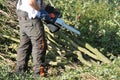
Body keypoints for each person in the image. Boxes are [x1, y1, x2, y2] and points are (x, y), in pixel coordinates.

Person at [15, 0, 48, 77]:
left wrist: (48, 9)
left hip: (23, 16)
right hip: (31, 18)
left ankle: (20, 71)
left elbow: (39, 2)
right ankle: (38, 73)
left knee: (25, 44)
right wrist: (40, 11)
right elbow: (31, 1)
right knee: (40, 45)